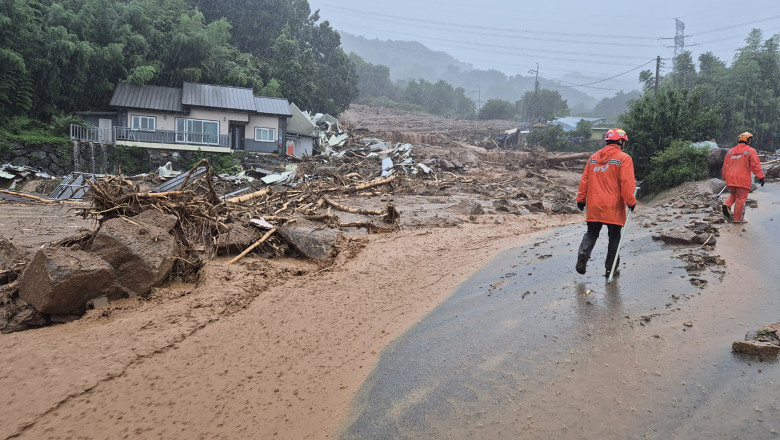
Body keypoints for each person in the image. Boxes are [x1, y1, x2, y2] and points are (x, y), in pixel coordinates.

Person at [575, 128, 637, 277]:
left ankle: (583, 254)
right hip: (613, 206)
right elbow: (627, 183)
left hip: (595, 204)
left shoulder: (593, 158)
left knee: (592, 232)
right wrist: (631, 202)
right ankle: (611, 268)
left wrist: (581, 200)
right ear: (620, 141)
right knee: (614, 237)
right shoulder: (624, 158)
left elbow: (584, 181)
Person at [721, 131, 765, 224]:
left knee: (733, 195)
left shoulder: (730, 151)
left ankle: (726, 204)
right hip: (742, 179)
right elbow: (755, 166)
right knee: (741, 198)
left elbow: (725, 166)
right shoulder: (750, 151)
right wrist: (761, 177)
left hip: (730, 179)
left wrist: (725, 178)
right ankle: (737, 219)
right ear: (748, 140)